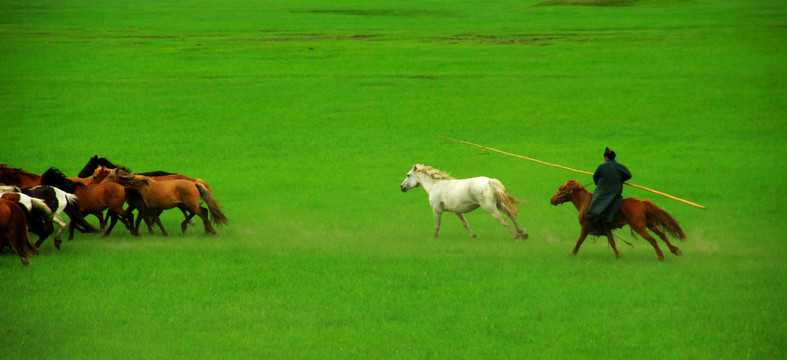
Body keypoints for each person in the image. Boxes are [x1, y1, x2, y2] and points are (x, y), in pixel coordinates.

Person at [586, 147, 632, 236]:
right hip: (616, 192)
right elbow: (628, 175)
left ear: (606, 158)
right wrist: (620, 179)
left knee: (592, 209)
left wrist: (599, 183)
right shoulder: (620, 166)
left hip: (602, 192)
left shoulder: (602, 166)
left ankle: (598, 229)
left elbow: (595, 178)